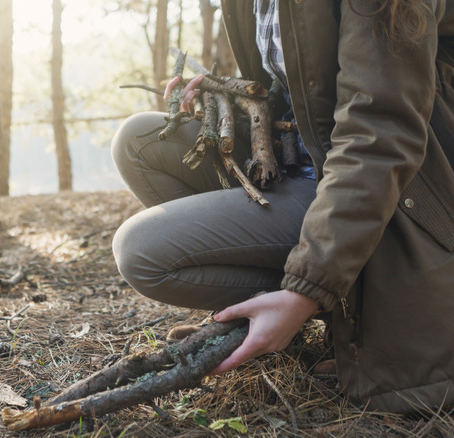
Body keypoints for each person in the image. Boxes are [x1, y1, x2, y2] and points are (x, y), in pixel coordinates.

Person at [111, 0, 454, 413]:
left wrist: (305, 290)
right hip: (298, 156)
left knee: (144, 250)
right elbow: (300, 87)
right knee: (140, 142)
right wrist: (232, 94)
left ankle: (329, 299)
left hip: (385, 184)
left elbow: (378, 135)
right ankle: (276, 307)